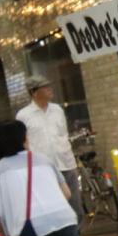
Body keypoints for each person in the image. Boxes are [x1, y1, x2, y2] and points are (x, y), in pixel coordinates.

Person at [17, 76, 83, 222]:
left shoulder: (57, 110)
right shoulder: (23, 115)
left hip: (65, 162)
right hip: (42, 168)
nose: (50, 89)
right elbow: (23, 143)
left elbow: (63, 134)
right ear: (34, 92)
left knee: (75, 203)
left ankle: (76, 235)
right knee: (51, 205)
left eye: (49, 86)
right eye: (45, 87)